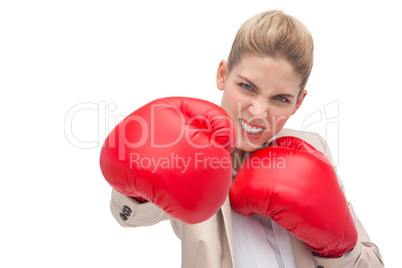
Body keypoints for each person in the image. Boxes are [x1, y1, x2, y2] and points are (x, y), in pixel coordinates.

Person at [100, 10, 384, 267]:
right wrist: (134, 189)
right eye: (247, 87)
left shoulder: (313, 147)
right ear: (223, 75)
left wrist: (335, 248)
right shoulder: (189, 142)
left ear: (298, 104)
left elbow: (371, 262)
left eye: (280, 99)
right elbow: (127, 216)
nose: (259, 112)